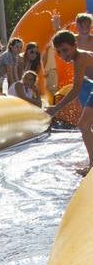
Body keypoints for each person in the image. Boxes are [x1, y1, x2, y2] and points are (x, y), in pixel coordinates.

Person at [46, 30, 93, 176]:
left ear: (75, 46)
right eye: (59, 52)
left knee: (84, 125)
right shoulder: (78, 58)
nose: (62, 55)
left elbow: (76, 89)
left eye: (65, 50)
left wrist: (56, 108)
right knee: (84, 125)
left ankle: (92, 165)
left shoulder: (81, 58)